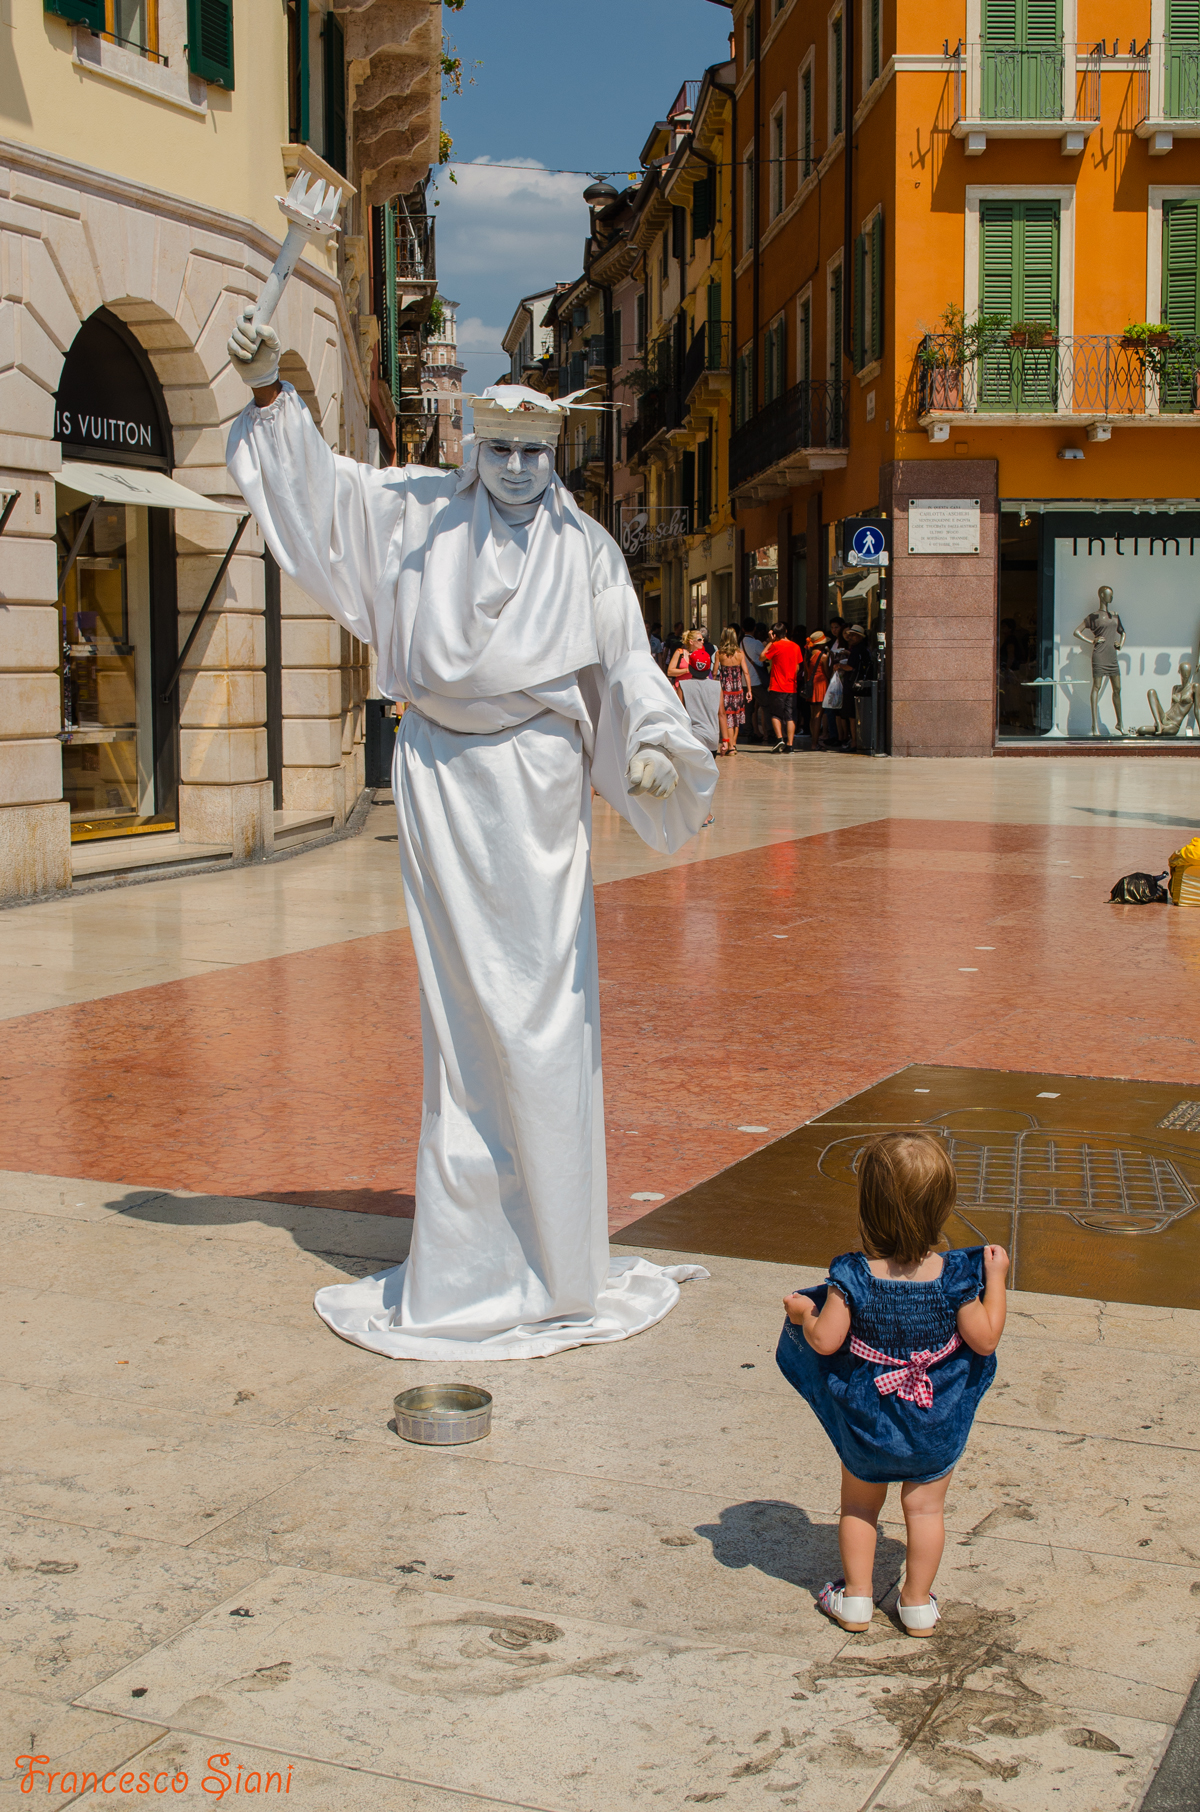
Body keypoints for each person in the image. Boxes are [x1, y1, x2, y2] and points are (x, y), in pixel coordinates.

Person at [224, 330, 716, 1360]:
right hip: (443, 779)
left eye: (538, 454)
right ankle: (470, 1263)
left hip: (538, 789)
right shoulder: (415, 516)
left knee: (543, 1015)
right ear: (474, 449)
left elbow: (625, 661)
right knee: (462, 1024)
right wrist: (270, 388)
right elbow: (325, 492)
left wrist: (657, 742)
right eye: (502, 451)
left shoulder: (587, 550)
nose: (520, 470)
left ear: (558, 458)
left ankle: (556, 1255)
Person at [776, 1133, 1007, 1636]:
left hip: (868, 1421)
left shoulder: (852, 1274)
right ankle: (917, 1603)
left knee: (860, 1505)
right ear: (942, 1206)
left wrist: (803, 1312)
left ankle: (856, 1599)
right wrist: (998, 1278)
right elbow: (985, 1341)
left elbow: (825, 1340)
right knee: (925, 1510)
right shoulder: (955, 1279)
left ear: (868, 1206)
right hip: (932, 1422)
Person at [762, 623, 803, 751]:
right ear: (786, 631)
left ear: (774, 634)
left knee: (775, 714)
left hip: (777, 686)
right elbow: (797, 667)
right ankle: (790, 744)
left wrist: (770, 641)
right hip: (791, 686)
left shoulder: (775, 646)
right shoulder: (795, 646)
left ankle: (780, 739)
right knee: (790, 716)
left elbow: (762, 657)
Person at [716, 626, 754, 754]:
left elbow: (715, 672)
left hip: (725, 690)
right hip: (738, 689)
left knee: (728, 717)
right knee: (737, 717)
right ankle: (734, 744)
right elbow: (746, 673)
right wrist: (749, 690)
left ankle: (731, 745)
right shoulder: (740, 654)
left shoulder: (719, 654)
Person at [741, 617, 767, 742]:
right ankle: (769, 732)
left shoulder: (740, 643)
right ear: (754, 628)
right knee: (766, 705)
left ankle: (748, 732)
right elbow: (765, 657)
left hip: (744, 681)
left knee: (748, 709)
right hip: (756, 680)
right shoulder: (757, 643)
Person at [806, 631, 830, 745]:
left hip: (811, 685)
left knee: (812, 714)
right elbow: (827, 673)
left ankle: (813, 740)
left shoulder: (808, 654)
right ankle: (814, 744)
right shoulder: (823, 656)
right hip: (820, 686)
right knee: (818, 716)